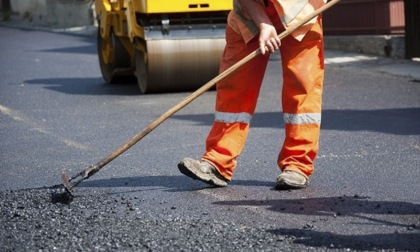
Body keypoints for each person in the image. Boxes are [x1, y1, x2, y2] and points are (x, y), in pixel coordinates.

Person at [178, 0, 326, 190]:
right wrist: (264, 23)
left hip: (300, 12)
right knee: (234, 85)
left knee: (302, 86)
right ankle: (218, 162)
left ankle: (297, 165)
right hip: (248, 13)